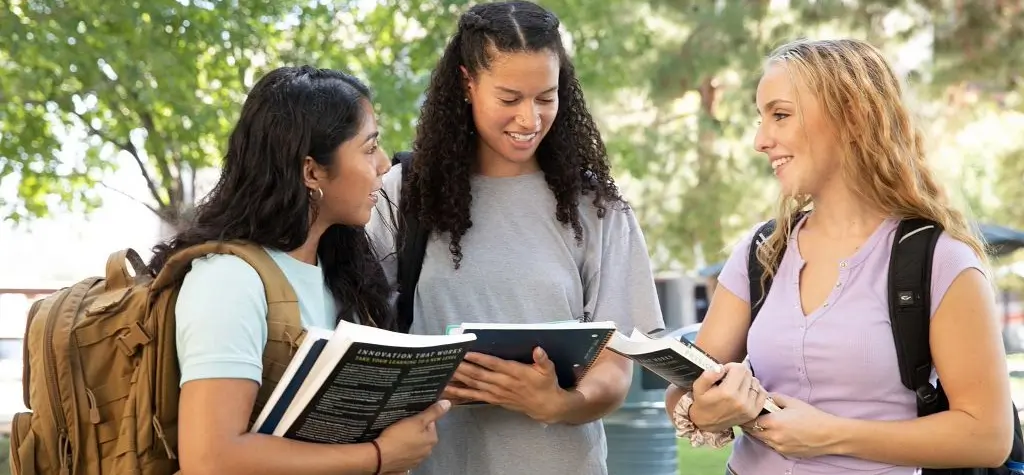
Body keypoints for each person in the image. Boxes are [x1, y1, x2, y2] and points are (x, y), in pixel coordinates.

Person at [664, 38, 1014, 474]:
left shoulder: (940, 260)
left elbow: (987, 437)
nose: (760, 140)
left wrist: (829, 435)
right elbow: (685, 390)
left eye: (781, 115)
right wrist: (704, 411)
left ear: (852, 116)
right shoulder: (761, 251)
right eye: (761, 119)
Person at [366, 2, 665, 474]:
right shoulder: (401, 195)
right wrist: (424, 380)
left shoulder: (596, 206)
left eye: (546, 98)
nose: (529, 119)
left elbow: (615, 365)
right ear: (467, 83)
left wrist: (561, 405)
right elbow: (358, 339)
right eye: (509, 99)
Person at [147, 66, 451, 475]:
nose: (383, 164)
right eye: (368, 148)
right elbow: (210, 458)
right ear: (312, 172)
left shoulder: (342, 270)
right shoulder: (228, 281)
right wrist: (378, 457)